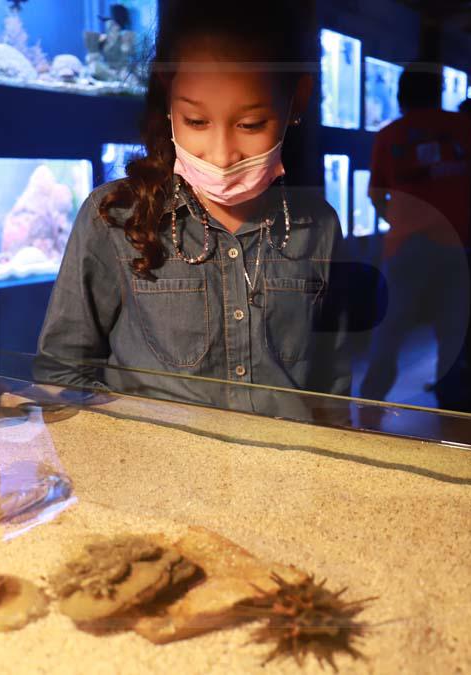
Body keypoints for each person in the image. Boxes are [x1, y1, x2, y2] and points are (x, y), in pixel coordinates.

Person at [34, 1, 350, 420]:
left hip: (285, 472)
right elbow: (62, 370)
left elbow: (333, 383)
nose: (221, 156)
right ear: (168, 96)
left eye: (250, 125)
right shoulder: (117, 217)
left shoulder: (318, 225)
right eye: (196, 121)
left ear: (297, 101)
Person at [359, 68, 471, 410]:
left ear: (401, 94)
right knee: (453, 332)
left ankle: (369, 408)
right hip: (459, 242)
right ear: (438, 92)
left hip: (407, 245)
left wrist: (398, 222)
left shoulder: (391, 134)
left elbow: (377, 195)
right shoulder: (466, 129)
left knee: (389, 330)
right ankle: (452, 413)